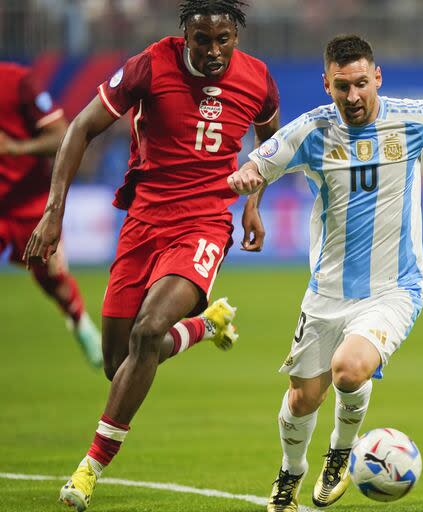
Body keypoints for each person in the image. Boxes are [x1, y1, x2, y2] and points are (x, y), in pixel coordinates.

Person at [228, 34, 423, 512]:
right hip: (327, 292)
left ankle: (340, 453)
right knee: (301, 400)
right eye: (341, 87)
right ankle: (290, 475)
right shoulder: (312, 130)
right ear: (327, 85)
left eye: (360, 83)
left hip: (395, 288)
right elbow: (259, 163)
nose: (353, 96)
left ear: (377, 77)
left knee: (349, 369)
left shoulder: (414, 118)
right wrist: (251, 198)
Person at [23, 1, 280, 510]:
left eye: (222, 39)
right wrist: (54, 211)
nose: (212, 51)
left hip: (205, 222)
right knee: (120, 362)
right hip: (143, 222)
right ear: (184, 33)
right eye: (201, 40)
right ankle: (205, 326)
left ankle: (89, 468)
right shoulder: (149, 64)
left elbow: (271, 143)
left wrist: (252, 204)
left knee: (147, 332)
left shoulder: (258, 78)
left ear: (236, 36)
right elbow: (79, 129)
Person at [0, 61, 103, 367]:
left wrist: (16, 149)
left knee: (52, 277)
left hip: (27, 201)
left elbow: (61, 136)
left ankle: (81, 323)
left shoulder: (19, 82)